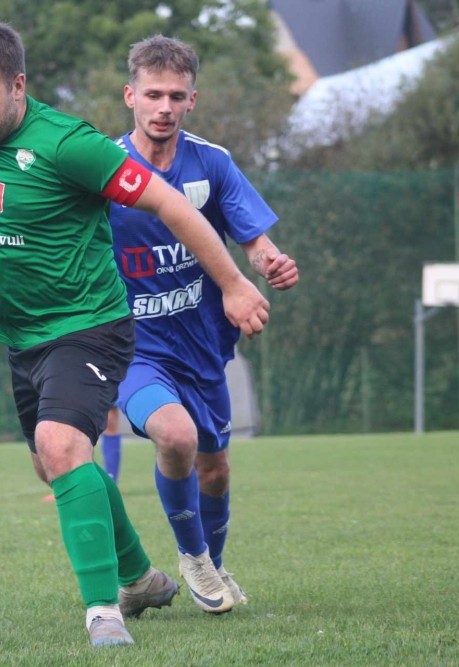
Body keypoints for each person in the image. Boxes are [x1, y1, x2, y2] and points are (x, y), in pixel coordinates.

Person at [0, 17, 270, 647]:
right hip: (21, 335)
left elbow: (171, 203)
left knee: (62, 445)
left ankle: (104, 613)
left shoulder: (72, 146)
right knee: (54, 467)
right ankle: (141, 576)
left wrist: (232, 283)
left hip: (90, 325)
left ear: (18, 86)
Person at [109, 35, 299, 614]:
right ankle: (193, 558)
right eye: (152, 94)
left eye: (176, 96)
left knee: (215, 469)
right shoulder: (105, 169)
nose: (164, 107)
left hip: (203, 345)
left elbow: (254, 240)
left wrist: (269, 261)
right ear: (130, 96)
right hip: (136, 350)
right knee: (176, 436)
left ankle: (211, 564)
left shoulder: (211, 162)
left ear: (192, 99)